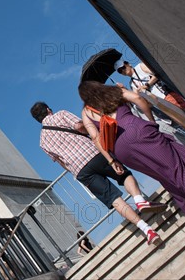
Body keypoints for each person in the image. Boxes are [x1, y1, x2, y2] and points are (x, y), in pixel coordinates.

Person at [78, 81, 185, 228]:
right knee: (177, 171)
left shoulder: (86, 111)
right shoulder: (113, 91)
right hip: (139, 132)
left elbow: (95, 138)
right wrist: (150, 119)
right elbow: (138, 98)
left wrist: (112, 161)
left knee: (165, 176)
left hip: (121, 150)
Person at [30, 102, 167, 246]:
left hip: (81, 171)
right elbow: (79, 126)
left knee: (113, 199)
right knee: (124, 175)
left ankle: (146, 230)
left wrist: (75, 172)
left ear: (37, 119)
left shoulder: (42, 141)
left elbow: (60, 162)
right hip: (93, 153)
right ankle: (139, 201)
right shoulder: (61, 114)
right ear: (48, 109)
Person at [114, 59, 185, 114]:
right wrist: (125, 90)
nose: (123, 70)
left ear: (128, 64)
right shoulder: (132, 84)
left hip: (167, 96)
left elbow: (157, 74)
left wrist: (146, 85)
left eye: (123, 67)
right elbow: (140, 101)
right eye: (120, 71)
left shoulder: (140, 67)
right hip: (160, 105)